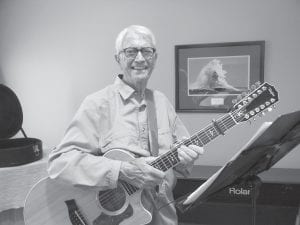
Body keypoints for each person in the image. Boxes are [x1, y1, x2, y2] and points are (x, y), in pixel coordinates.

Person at [48, 25, 204, 225]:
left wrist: (186, 158)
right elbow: (60, 163)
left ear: (154, 58)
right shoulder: (97, 104)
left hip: (163, 216)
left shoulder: (162, 102)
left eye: (147, 51)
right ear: (118, 59)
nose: (140, 58)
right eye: (131, 51)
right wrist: (122, 170)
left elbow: (180, 167)